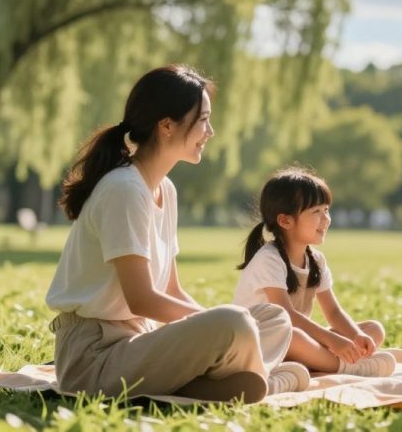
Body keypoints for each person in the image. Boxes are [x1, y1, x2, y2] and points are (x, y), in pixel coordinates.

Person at [46, 65, 294, 404]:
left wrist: (220, 328)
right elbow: (143, 299)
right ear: (166, 126)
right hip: (95, 359)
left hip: (144, 341)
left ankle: (220, 380)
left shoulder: (165, 189)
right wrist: (222, 327)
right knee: (234, 322)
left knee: (272, 318)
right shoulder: (124, 189)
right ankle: (257, 378)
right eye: (203, 119)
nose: (211, 131)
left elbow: (171, 289)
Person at [233, 167, 396, 377]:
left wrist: (355, 336)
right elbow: (287, 316)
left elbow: (334, 313)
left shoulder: (316, 260)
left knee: (373, 330)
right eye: (316, 212)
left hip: (296, 339)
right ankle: (349, 367)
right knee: (294, 337)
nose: (326, 219)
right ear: (285, 221)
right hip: (261, 344)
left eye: (326, 210)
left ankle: (320, 361)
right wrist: (332, 341)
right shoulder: (269, 259)